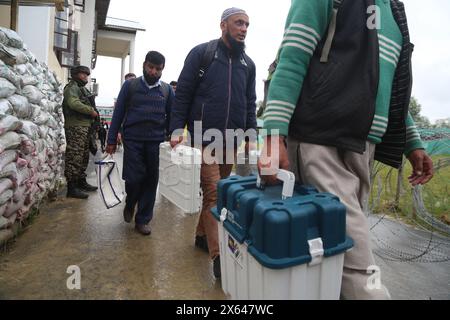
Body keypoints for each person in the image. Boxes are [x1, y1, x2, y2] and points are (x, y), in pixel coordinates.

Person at [258, 0, 434, 299]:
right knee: (356, 263)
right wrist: (274, 135)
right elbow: (293, 57)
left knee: (332, 254)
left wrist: (412, 141)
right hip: (321, 144)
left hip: (364, 148)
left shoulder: (393, 11)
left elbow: (388, 88)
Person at [169, 7, 256, 278]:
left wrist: (250, 136)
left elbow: (251, 103)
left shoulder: (248, 65)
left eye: (247, 24)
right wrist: (176, 128)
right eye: (238, 23)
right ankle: (220, 259)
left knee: (217, 194)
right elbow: (183, 93)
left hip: (231, 141)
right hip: (205, 137)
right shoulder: (202, 54)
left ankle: (200, 235)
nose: (243, 28)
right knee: (215, 194)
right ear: (223, 25)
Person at [105, 51, 174, 236]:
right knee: (134, 178)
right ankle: (130, 203)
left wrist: (173, 134)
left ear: (162, 70)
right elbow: (118, 113)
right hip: (133, 139)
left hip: (156, 142)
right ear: (144, 65)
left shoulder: (167, 91)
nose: (153, 72)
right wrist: (111, 139)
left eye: (157, 69)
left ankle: (143, 220)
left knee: (151, 180)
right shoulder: (130, 86)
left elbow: (173, 116)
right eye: (150, 67)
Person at [62, 65, 99, 199]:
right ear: (76, 74)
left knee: (83, 156)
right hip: (75, 126)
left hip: (84, 126)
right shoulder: (72, 88)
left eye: (87, 74)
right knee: (74, 155)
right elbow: (73, 103)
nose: (85, 77)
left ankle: (80, 181)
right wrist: (91, 111)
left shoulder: (82, 89)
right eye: (83, 74)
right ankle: (71, 187)